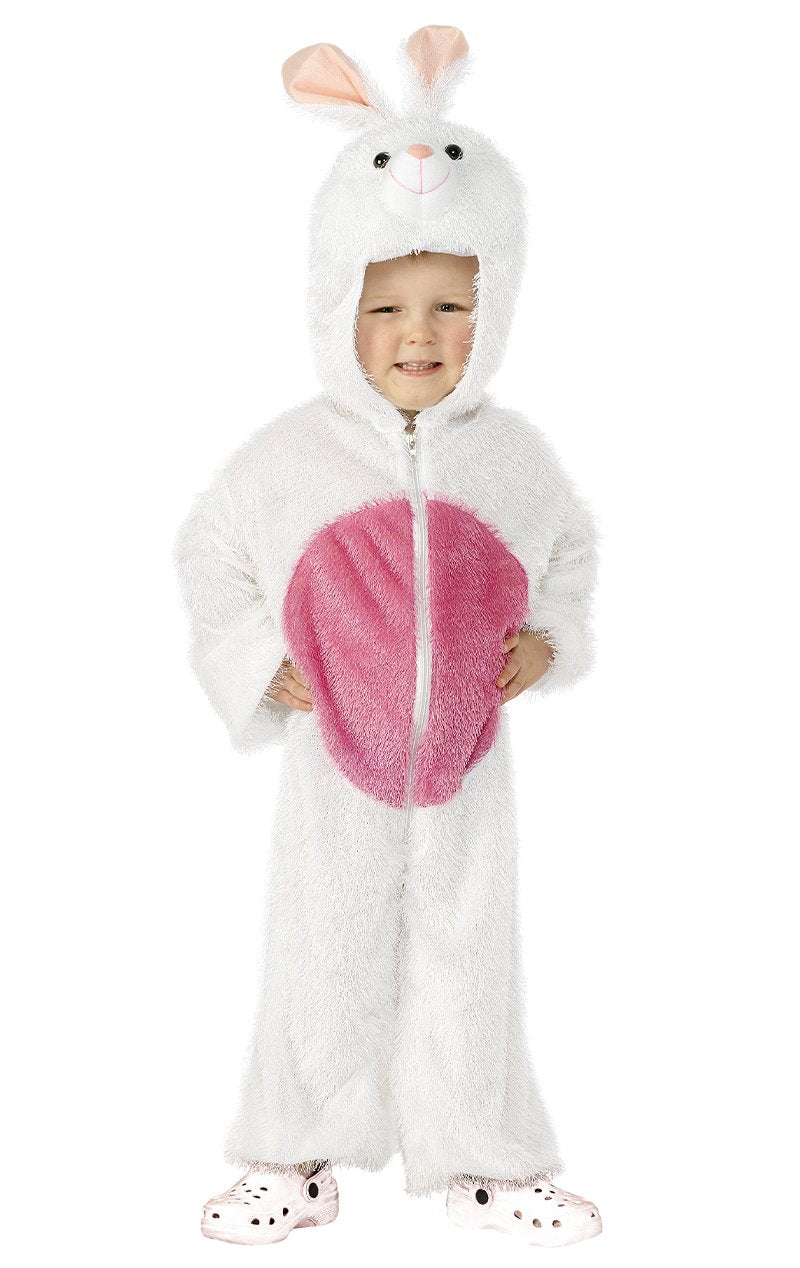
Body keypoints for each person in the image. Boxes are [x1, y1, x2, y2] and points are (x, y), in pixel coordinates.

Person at [173, 25, 603, 1250]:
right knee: (325, 951)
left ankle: (483, 1160)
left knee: (472, 958)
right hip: (337, 764)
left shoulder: (509, 459)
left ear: (492, 308)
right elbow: (211, 554)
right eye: (387, 307)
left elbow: (567, 547)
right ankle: (293, 1155)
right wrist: (258, 663)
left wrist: (550, 639)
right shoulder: (291, 459)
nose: (420, 334)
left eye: (451, 305)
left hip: (466, 768)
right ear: (336, 309)